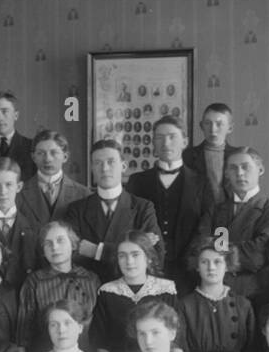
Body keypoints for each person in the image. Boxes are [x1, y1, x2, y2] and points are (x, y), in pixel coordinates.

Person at [127, 115, 215, 291]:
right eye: (159, 138)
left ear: (184, 141)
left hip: (188, 271)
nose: (166, 143)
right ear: (153, 143)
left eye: (172, 136)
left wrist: (191, 258)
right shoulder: (137, 181)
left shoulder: (202, 182)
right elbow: (129, 223)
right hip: (146, 268)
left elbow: (207, 223)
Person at [65, 138, 163, 283]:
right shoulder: (77, 209)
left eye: (111, 162)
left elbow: (155, 256)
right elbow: (73, 255)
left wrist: (97, 251)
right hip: (89, 290)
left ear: (123, 166)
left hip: (130, 289)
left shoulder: (143, 207)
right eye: (98, 163)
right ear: (92, 168)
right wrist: (134, 250)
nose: (104, 169)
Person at [197, 148, 269, 295]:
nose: (239, 173)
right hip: (216, 291)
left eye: (245, 167)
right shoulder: (214, 211)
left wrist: (216, 252)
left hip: (256, 292)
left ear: (260, 169)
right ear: (227, 173)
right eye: (233, 168)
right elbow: (200, 247)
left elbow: (258, 255)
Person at [89, 231, 178, 352]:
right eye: (122, 256)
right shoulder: (107, 292)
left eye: (135, 255)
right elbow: (101, 345)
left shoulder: (166, 290)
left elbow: (178, 343)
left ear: (148, 258)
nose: (129, 262)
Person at [18, 220, 101, 352]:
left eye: (60, 240)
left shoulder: (91, 279)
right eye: (48, 243)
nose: (54, 247)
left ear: (73, 244)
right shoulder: (35, 281)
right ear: (43, 251)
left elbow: (100, 328)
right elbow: (24, 331)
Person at [0, 157, 39, 295]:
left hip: (23, 302)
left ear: (19, 187)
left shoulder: (35, 227)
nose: (3, 192)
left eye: (9, 185)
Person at [16, 130, 90, 230]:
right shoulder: (18, 193)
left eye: (54, 153)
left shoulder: (83, 194)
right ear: (33, 157)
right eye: (41, 153)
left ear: (65, 157)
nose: (48, 159)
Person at [182, 103, 244, 203]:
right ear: (201, 126)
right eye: (208, 123)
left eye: (219, 124)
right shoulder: (187, 156)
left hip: (231, 214)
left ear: (230, 128)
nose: (213, 129)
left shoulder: (239, 156)